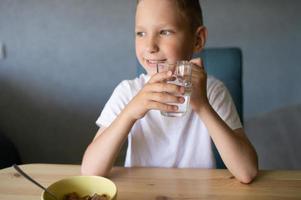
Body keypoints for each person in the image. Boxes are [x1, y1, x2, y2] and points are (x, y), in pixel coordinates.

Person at [81, 0, 258, 184]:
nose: (150, 46)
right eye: (141, 33)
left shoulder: (213, 91)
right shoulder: (128, 92)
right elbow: (90, 172)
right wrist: (130, 113)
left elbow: (247, 172)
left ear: (197, 40)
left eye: (165, 32)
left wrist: (203, 106)